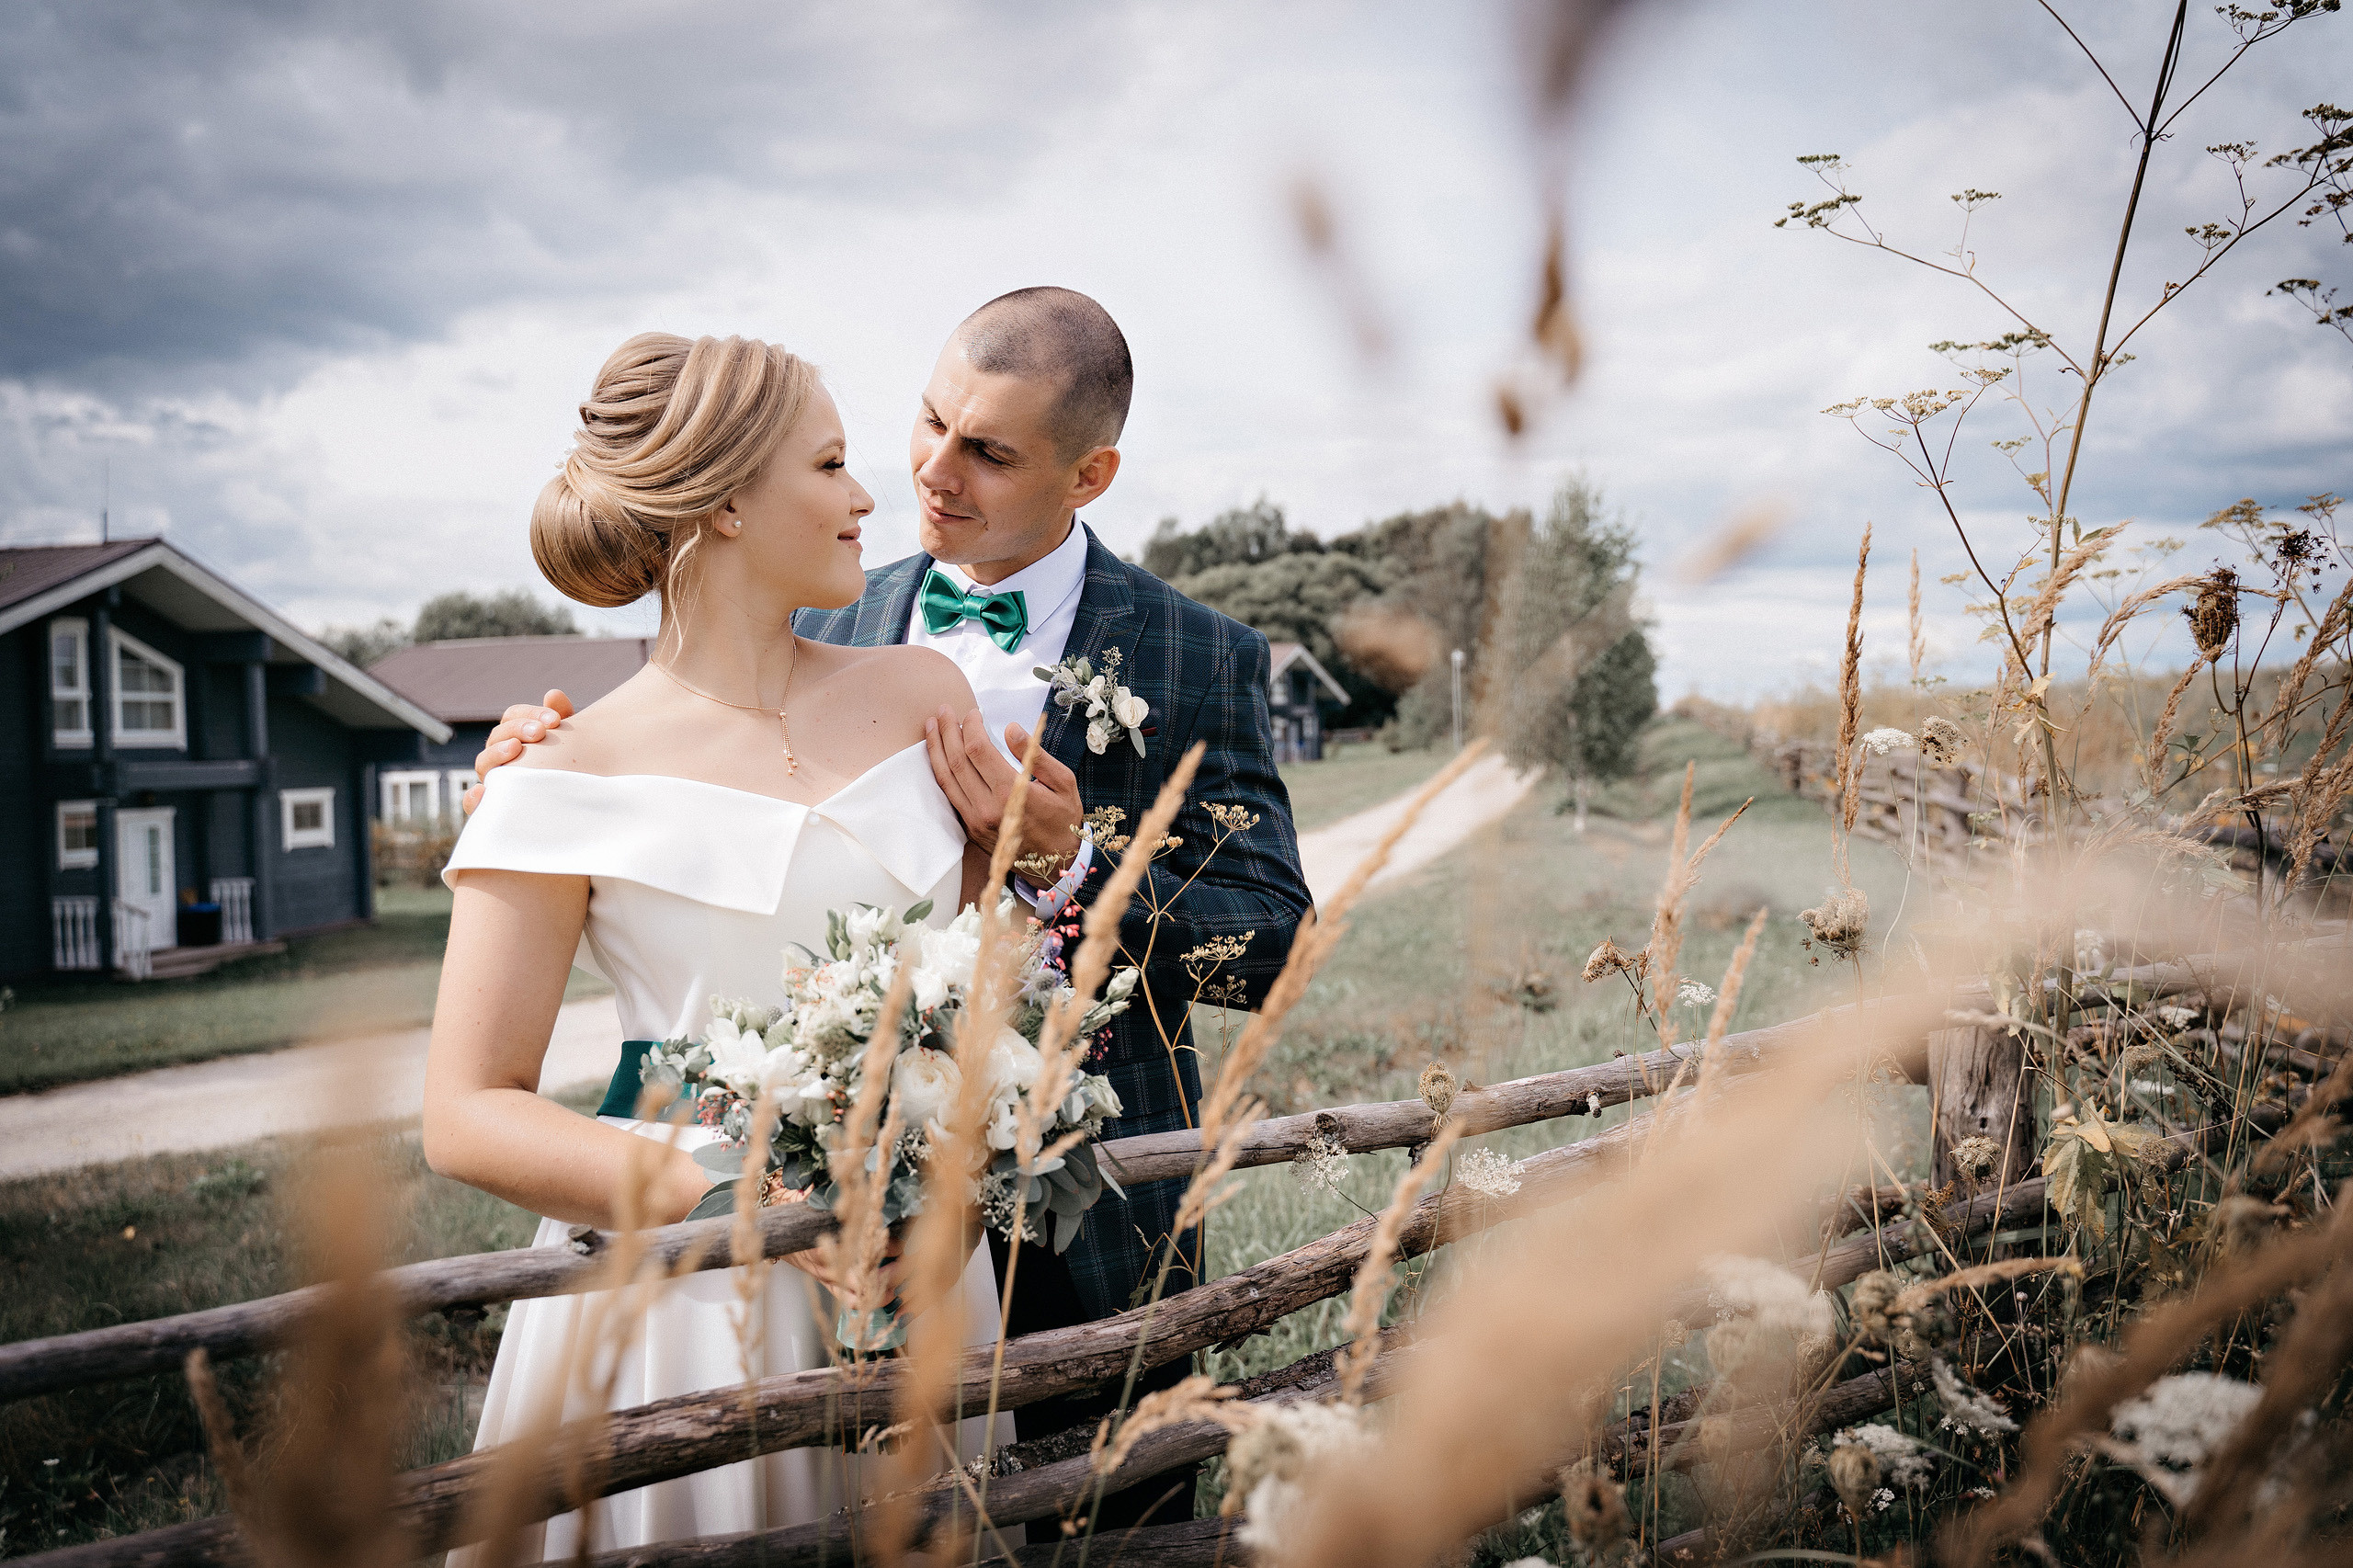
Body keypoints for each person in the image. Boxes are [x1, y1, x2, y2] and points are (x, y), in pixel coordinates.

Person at [472, 288, 1314, 1539]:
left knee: (1115, 1537)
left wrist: (1078, 866)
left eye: (989, 451)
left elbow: (1273, 941)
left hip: (1091, 1218)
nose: (928, 470)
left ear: (1091, 473)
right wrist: (539, 770)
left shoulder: (1199, 656)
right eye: (924, 422)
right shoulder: (817, 606)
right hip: (784, 1235)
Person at [423, 331, 1009, 1561]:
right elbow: (466, 1111)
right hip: (687, 1286)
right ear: (730, 499)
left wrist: (1035, 851)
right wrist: (742, 1199)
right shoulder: (557, 771)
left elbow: (979, 971)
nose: (867, 496)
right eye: (834, 462)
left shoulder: (924, 696)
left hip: (918, 1244)